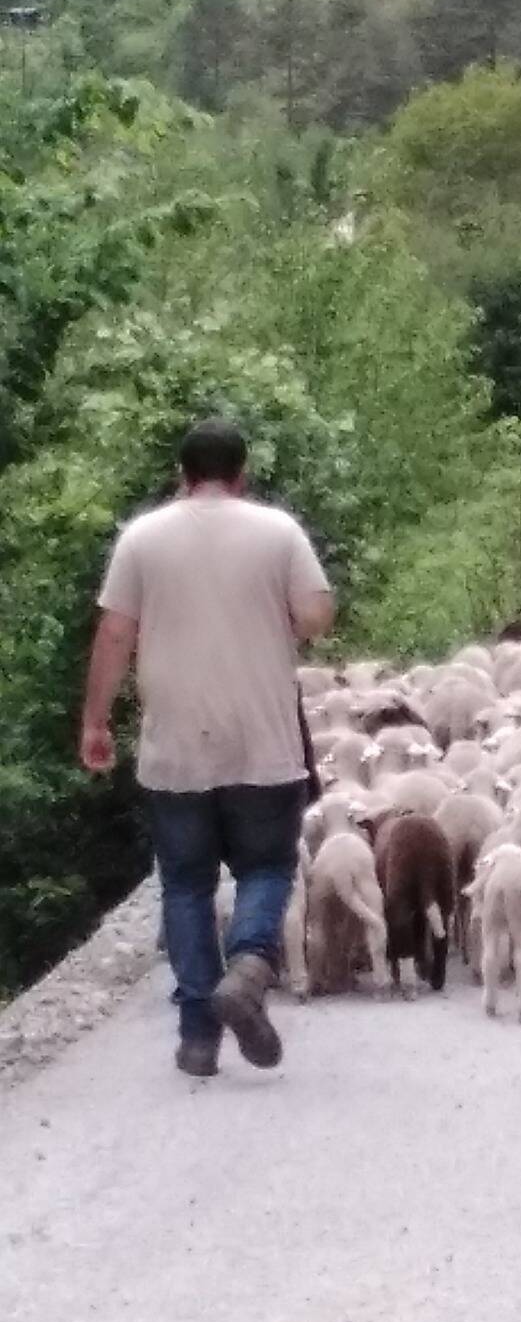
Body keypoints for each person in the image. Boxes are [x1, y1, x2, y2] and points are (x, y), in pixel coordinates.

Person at [79, 418, 335, 1079]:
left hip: (175, 746)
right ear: (242, 472)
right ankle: (249, 965)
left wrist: (96, 722)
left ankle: (197, 1035)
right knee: (268, 869)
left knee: (187, 885)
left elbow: (113, 634)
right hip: (264, 736)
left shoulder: (142, 538)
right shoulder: (278, 532)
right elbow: (315, 614)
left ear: (181, 472)